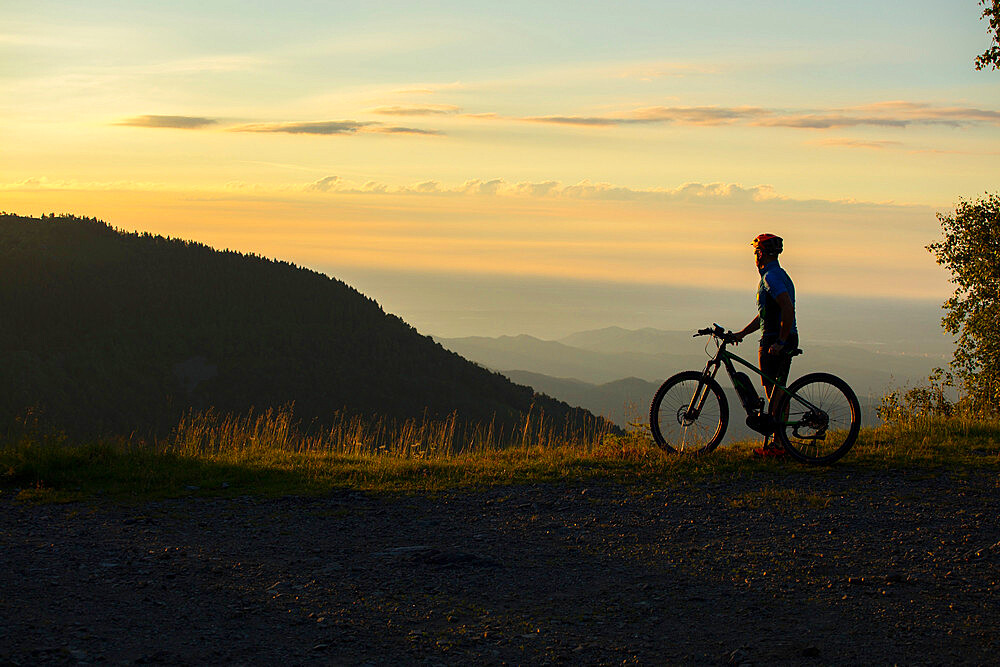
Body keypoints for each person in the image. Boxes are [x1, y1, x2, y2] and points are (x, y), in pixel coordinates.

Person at [732, 233, 797, 457]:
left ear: (761, 254)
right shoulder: (777, 275)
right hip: (773, 336)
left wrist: (781, 341)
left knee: (777, 392)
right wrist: (742, 333)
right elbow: (765, 315)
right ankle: (779, 443)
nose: (754, 258)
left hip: (775, 339)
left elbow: (787, 309)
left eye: (755, 253)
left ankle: (780, 445)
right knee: (774, 391)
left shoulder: (771, 278)